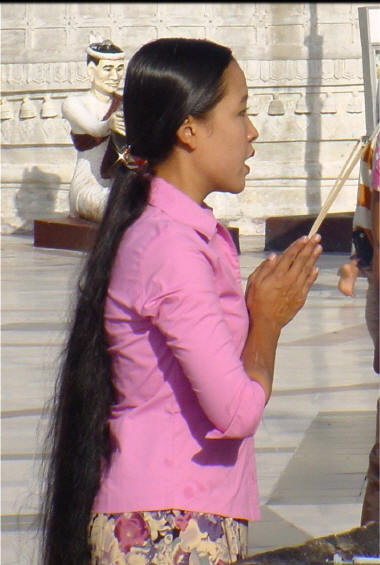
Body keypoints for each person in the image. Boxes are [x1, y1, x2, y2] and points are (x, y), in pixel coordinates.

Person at [40, 38, 322, 565]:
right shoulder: (170, 245)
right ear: (189, 129)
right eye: (240, 113)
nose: (252, 133)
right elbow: (235, 411)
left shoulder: (178, 232)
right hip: (170, 526)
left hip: (172, 513)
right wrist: (267, 320)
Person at [62, 39, 126, 223]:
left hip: (118, 184)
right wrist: (109, 124)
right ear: (91, 71)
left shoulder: (124, 104)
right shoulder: (73, 104)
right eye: (108, 69)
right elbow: (96, 129)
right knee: (119, 205)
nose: (115, 76)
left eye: (119, 69)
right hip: (87, 187)